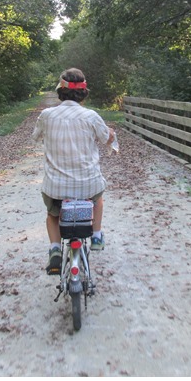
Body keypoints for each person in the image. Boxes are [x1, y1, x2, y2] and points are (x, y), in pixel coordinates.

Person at [32, 68, 116, 275]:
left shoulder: (47, 115)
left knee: (52, 214)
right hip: (89, 184)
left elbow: (35, 137)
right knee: (98, 199)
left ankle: (54, 249)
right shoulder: (91, 116)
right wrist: (111, 134)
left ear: (61, 90)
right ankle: (96, 235)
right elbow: (107, 139)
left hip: (56, 187)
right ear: (83, 92)